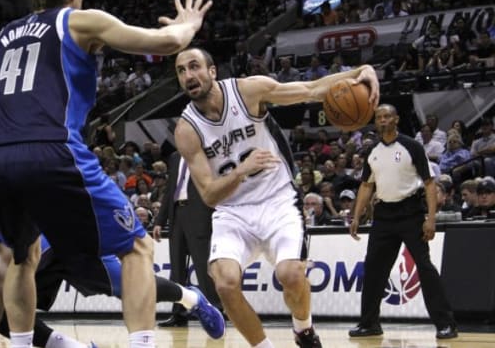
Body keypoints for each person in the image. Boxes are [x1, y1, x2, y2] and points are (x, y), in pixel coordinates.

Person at [0, 0, 212, 348]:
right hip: (50, 149)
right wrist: (189, 24)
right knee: (137, 247)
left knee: (22, 256)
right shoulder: (79, 20)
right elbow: (166, 43)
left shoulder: (5, 35)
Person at [173, 46, 380, 348]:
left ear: (212, 71)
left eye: (194, 66)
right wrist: (241, 171)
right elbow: (208, 195)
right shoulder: (186, 129)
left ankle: (304, 329)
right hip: (233, 211)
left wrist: (360, 72)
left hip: (277, 200)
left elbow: (310, 89)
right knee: (225, 284)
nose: (189, 75)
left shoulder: (247, 91)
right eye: (181, 71)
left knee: (291, 274)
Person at [0, 224, 224, 348]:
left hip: (65, 246)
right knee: (2, 314)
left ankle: (191, 298)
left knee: (129, 287)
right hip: (32, 267)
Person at [348, 104, 458, 340]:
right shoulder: (372, 151)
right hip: (384, 215)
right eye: (379, 117)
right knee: (374, 270)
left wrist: (430, 218)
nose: (383, 120)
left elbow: (429, 184)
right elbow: (366, 185)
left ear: (396, 119)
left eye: (388, 116)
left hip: (411, 212)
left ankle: (445, 324)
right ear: (376, 122)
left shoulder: (412, 146)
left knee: (425, 268)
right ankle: (369, 323)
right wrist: (356, 215)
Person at [153, 151, 220, 328]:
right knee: (177, 270)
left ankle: (215, 311)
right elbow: (169, 191)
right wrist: (160, 221)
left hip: (199, 214)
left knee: (202, 266)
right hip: (177, 214)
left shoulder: (208, 154)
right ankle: (179, 313)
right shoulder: (175, 157)